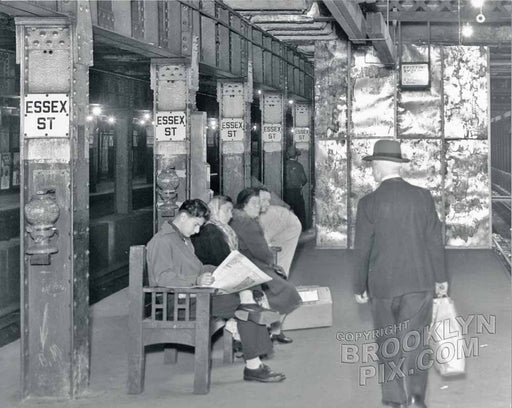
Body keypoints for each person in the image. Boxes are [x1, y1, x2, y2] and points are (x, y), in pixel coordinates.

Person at [353, 140, 449, 408]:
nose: (372, 170)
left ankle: (394, 400)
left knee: (387, 343)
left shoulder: (368, 203)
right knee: (416, 343)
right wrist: (441, 278)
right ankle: (418, 400)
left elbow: (362, 249)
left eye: (373, 165)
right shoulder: (423, 197)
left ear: (380, 167)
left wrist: (359, 285)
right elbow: (434, 242)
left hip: (382, 286)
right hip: (419, 282)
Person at [146, 199, 285, 383]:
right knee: (245, 304)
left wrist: (214, 272)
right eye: (196, 225)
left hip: (194, 296)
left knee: (247, 296)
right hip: (178, 304)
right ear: (184, 216)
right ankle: (254, 364)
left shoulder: (182, 239)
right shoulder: (162, 241)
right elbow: (163, 279)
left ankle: (254, 362)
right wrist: (196, 280)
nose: (197, 231)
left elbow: (194, 268)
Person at [230, 188, 302, 344]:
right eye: (255, 203)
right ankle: (271, 330)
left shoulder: (239, 219)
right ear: (244, 205)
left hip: (244, 264)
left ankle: (272, 329)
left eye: (260, 202)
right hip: (251, 266)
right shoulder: (248, 223)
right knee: (285, 290)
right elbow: (262, 251)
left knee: (279, 285)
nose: (260, 206)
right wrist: (272, 263)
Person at [256, 186, 302, 278]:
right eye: (264, 200)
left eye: (268, 201)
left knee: (279, 257)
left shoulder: (266, 216)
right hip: (283, 219)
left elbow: (263, 245)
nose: (267, 204)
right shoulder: (256, 213)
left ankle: (278, 280)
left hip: (290, 225)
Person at [284, 145, 307, 229]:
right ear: (296, 156)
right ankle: (301, 233)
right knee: (300, 215)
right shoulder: (299, 166)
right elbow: (304, 180)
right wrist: (300, 184)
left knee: (287, 214)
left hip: (286, 193)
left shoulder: (284, 165)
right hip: (297, 193)